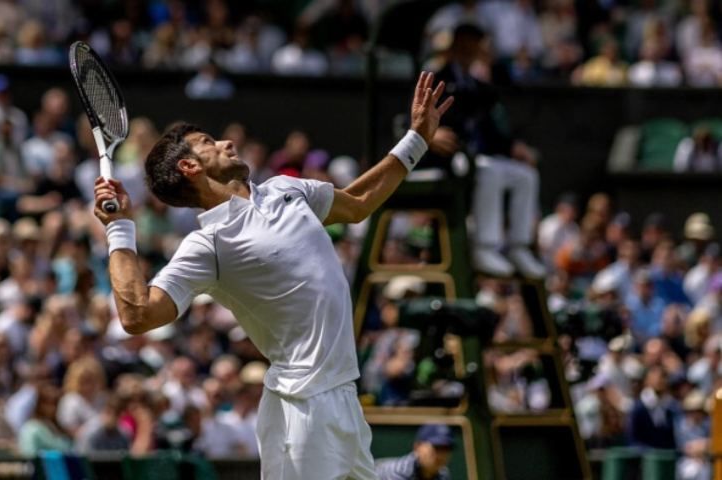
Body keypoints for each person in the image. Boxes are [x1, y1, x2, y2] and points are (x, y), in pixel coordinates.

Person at [93, 71, 453, 480]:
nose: (227, 142)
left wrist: (417, 139)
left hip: (344, 399)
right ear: (190, 166)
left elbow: (357, 204)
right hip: (300, 408)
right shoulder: (207, 244)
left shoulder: (287, 189)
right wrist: (119, 227)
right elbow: (137, 314)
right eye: (210, 143)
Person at [427, 23, 545, 279]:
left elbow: (492, 132)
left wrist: (513, 147)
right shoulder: (437, 77)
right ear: (455, 45)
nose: (470, 50)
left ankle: (518, 246)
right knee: (489, 171)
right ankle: (485, 246)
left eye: (475, 44)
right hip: (445, 159)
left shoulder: (478, 86)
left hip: (477, 158)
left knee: (525, 176)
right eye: (466, 43)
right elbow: (410, 119)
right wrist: (429, 134)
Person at [375, 423, 454, 480]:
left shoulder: (443, 474)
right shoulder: (398, 472)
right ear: (417, 447)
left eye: (446, 448)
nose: (441, 455)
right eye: (437, 447)